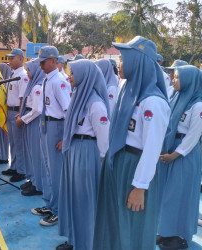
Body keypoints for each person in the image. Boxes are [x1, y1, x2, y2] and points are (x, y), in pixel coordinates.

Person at [93, 36, 171, 250]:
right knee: (114, 222)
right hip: (118, 162)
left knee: (131, 227)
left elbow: (152, 149)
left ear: (138, 61)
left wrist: (140, 186)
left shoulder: (152, 101)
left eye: (123, 59)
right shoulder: (127, 90)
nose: (119, 64)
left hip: (135, 169)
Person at [56, 59, 110, 250]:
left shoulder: (96, 105)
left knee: (85, 201)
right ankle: (74, 239)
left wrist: (102, 164)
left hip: (87, 154)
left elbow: (104, 140)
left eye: (73, 73)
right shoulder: (79, 97)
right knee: (72, 197)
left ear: (84, 76)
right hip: (74, 152)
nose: (69, 76)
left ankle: (87, 243)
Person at [157, 65, 202, 249]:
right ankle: (166, 232)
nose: (173, 80)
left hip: (184, 155)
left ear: (189, 80)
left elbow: (193, 136)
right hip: (171, 151)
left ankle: (179, 235)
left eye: (176, 77)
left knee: (179, 196)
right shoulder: (177, 98)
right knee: (167, 195)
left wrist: (175, 155)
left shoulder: (197, 105)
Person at [30, 46, 71, 227]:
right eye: (39, 61)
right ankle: (50, 203)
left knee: (56, 172)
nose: (40, 65)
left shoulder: (59, 81)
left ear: (54, 61)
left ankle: (59, 211)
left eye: (44, 61)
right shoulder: (48, 79)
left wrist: (66, 137)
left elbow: (68, 111)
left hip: (57, 126)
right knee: (47, 169)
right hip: (47, 124)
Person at [16, 60, 45, 196]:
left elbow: (37, 110)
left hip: (33, 121)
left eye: (29, 70)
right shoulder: (32, 85)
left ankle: (38, 184)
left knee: (35, 153)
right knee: (30, 152)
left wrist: (23, 119)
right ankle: (32, 179)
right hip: (29, 119)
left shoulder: (37, 87)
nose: (27, 73)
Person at [1, 48, 29, 182]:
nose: (10, 60)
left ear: (20, 59)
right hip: (10, 110)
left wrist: (20, 114)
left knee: (19, 143)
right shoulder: (13, 74)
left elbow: (23, 97)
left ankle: (21, 170)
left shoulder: (23, 75)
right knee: (12, 141)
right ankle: (14, 166)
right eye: (9, 58)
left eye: (12, 58)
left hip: (16, 111)